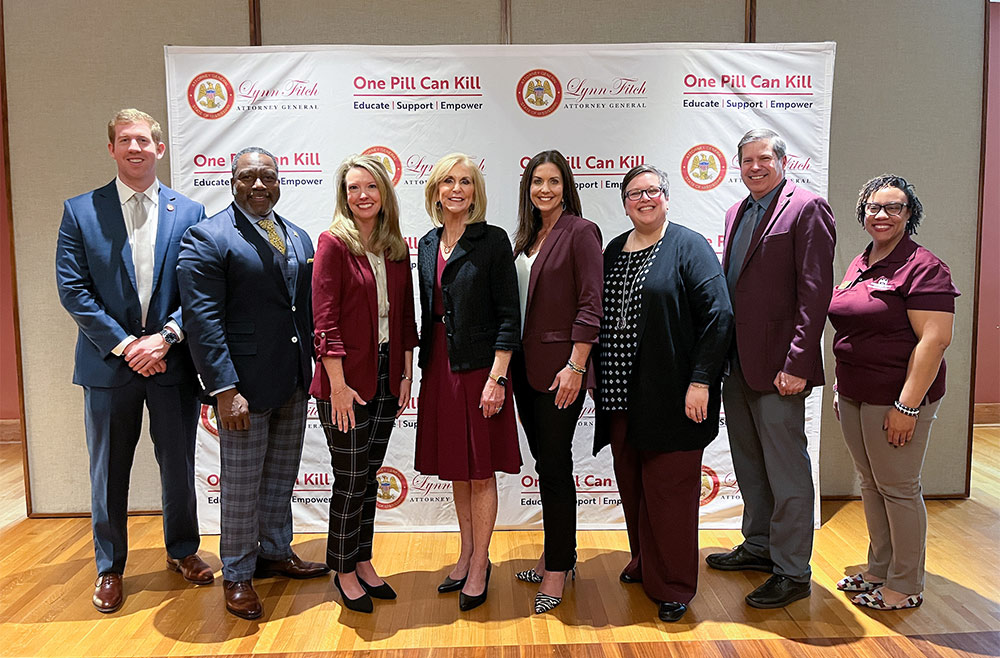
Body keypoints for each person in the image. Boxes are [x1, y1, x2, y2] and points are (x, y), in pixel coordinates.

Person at [55, 109, 212, 614]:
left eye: (144, 140)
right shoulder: (80, 211)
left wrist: (165, 338)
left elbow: (201, 288)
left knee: (178, 465)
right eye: (125, 140)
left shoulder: (189, 212)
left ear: (159, 149)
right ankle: (109, 567)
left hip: (171, 361)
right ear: (111, 149)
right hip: (109, 366)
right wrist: (128, 346)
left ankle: (183, 551)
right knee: (108, 470)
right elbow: (73, 290)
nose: (135, 148)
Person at [177, 146, 329, 620]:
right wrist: (224, 389)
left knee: (280, 476)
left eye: (268, 175)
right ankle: (239, 573)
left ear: (280, 179)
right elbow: (203, 322)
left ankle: (275, 550)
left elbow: (300, 311)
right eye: (248, 177)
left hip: (291, 381)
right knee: (241, 485)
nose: (259, 184)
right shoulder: (208, 237)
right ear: (233, 180)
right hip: (240, 388)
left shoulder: (298, 236)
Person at [593, 165, 733, 623]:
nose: (644, 199)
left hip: (673, 394)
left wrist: (701, 381)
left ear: (667, 197)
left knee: (669, 493)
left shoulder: (688, 246)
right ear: (625, 203)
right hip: (620, 397)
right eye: (634, 193)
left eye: (652, 191)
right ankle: (644, 561)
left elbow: (719, 316)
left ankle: (673, 585)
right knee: (633, 486)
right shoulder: (614, 248)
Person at [706, 128, 836, 609]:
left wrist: (799, 361)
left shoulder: (807, 208)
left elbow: (814, 292)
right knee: (750, 464)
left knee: (787, 471)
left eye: (763, 158)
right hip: (737, 364)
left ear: (782, 160)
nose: (754, 167)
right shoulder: (736, 211)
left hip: (782, 367)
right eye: (746, 161)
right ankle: (759, 546)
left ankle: (792, 570)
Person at [828, 175, 958, 610]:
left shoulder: (924, 266)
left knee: (899, 488)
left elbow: (935, 340)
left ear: (909, 214)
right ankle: (879, 567)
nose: (881, 215)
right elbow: (852, 327)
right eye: (873, 207)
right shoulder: (862, 260)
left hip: (897, 398)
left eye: (893, 207)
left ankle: (905, 584)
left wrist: (908, 405)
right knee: (870, 483)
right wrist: (840, 387)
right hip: (855, 393)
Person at [310, 155, 418, 613]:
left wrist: (408, 371)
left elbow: (407, 317)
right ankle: (343, 569)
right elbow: (325, 321)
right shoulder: (334, 243)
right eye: (353, 189)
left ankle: (364, 558)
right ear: (344, 196)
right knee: (351, 478)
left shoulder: (395, 248)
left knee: (369, 476)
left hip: (388, 374)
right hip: (345, 381)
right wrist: (336, 385)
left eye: (370, 188)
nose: (362, 196)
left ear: (384, 194)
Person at [413, 153, 521, 612]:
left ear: (476, 193)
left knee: (481, 470)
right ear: (435, 190)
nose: (457, 189)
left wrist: (498, 377)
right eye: (448, 181)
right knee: (458, 467)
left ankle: (481, 563)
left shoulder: (492, 240)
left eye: (466, 182)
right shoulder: (425, 243)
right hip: (440, 365)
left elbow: (509, 316)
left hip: (481, 369)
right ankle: (465, 552)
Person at [509, 150, 603, 614]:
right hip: (524, 370)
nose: (544, 189)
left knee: (557, 466)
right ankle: (556, 553)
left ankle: (557, 569)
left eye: (553, 181)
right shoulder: (525, 236)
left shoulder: (581, 232)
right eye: (536, 181)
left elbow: (590, 304)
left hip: (561, 371)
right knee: (546, 465)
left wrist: (577, 365)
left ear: (566, 185)